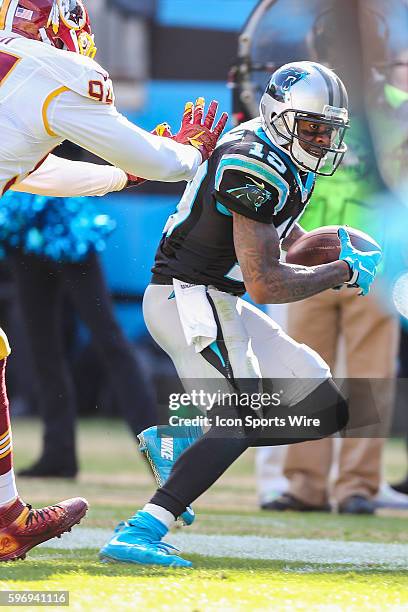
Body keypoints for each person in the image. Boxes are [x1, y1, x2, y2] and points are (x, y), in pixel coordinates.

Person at [99, 61, 382, 568]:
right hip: (189, 300)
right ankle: (142, 530)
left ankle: (178, 441)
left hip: (219, 299)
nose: (320, 140)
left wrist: (332, 243)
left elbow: (283, 245)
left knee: (327, 403)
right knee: (239, 421)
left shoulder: (279, 154)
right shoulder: (251, 164)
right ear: (279, 116)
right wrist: (340, 271)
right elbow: (266, 282)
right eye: (312, 128)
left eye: (328, 131)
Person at [0, 0, 227, 561]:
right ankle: (5, 521)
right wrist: (186, 153)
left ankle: (7, 518)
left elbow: (31, 171)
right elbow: (156, 159)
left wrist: (115, 177)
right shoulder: (51, 74)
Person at [0, 190, 158, 478]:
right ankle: (58, 456)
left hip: (66, 225)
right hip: (21, 229)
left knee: (109, 340)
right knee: (42, 348)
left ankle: (159, 452)